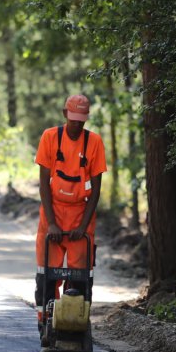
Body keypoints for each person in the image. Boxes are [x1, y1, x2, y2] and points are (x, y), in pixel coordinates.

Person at [34, 93, 107, 336]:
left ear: (86, 119)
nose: (76, 124)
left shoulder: (94, 142)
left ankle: (75, 321)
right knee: (47, 273)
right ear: (65, 114)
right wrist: (53, 224)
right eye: (73, 119)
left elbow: (96, 190)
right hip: (52, 212)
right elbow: (44, 183)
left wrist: (83, 227)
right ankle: (45, 317)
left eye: (81, 120)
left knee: (79, 276)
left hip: (80, 214)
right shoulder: (50, 137)